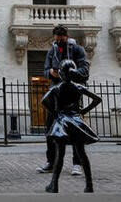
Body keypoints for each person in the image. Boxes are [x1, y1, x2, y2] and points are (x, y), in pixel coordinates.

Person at [36, 24, 90, 176]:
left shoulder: (77, 50)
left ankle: (77, 163)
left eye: (62, 38)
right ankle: (51, 162)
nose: (59, 40)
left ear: (67, 36)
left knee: (76, 131)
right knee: (50, 128)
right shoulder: (52, 51)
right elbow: (46, 70)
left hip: (72, 94)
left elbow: (85, 70)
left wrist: (68, 73)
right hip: (56, 94)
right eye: (57, 38)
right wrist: (51, 73)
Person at [41, 59, 101, 193]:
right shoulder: (78, 87)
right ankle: (89, 185)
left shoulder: (56, 88)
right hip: (75, 121)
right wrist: (84, 110)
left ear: (61, 74)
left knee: (59, 155)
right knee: (82, 154)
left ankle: (54, 184)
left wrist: (55, 113)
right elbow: (98, 99)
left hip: (62, 122)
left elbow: (44, 101)